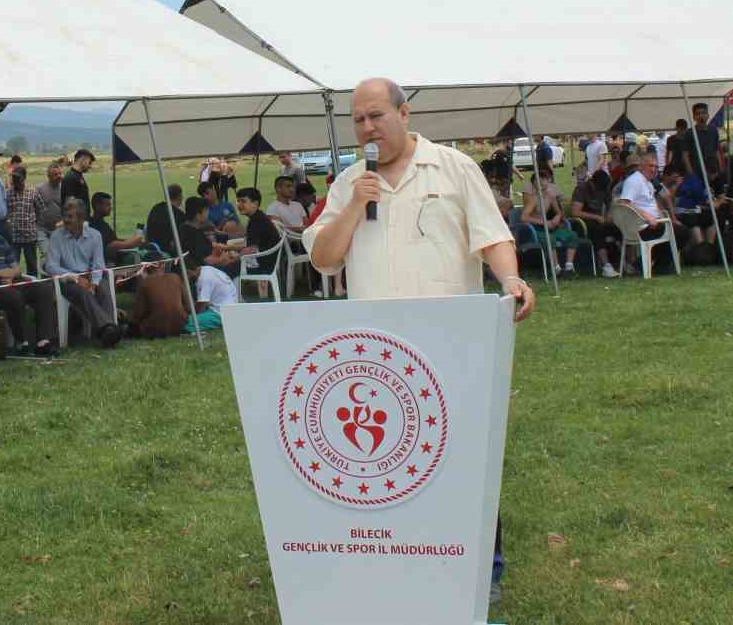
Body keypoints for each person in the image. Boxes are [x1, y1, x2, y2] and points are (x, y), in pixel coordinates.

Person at [303, 77, 532, 607]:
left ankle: (484, 567)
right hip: (376, 356)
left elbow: (492, 235)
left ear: (405, 114)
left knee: (465, 452)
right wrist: (355, 207)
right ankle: (403, 563)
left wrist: (511, 281)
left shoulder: (453, 168)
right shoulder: (347, 183)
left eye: (377, 115)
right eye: (358, 119)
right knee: (390, 462)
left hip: (452, 341)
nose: (367, 127)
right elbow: (324, 258)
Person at [43, 199, 122, 348]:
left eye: (70, 217)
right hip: (67, 280)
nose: (66, 220)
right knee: (81, 292)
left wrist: (94, 283)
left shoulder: (95, 235)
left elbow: (99, 265)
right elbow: (51, 266)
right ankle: (108, 329)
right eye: (65, 216)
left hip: (90, 275)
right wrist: (75, 278)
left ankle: (108, 331)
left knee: (103, 288)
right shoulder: (56, 236)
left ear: (81, 219)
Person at [520, 164, 579, 275]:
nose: (541, 182)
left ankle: (569, 266)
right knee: (550, 239)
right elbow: (524, 217)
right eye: (538, 181)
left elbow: (559, 212)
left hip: (550, 227)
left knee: (572, 236)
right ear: (533, 185)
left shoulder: (550, 196)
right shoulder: (534, 198)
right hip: (536, 229)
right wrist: (545, 223)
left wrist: (556, 219)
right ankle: (556, 268)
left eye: (543, 179)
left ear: (548, 181)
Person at [569, 168, 620, 278]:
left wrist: (609, 216)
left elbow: (610, 205)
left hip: (599, 221)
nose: (599, 191)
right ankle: (606, 266)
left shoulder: (604, 188)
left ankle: (626, 263)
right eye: (598, 188)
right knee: (597, 231)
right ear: (592, 182)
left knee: (620, 229)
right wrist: (596, 217)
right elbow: (575, 212)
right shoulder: (581, 189)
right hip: (582, 223)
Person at [238, 186, 284, 297]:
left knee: (227, 267)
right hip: (269, 259)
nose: (239, 205)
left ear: (255, 203)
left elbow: (251, 249)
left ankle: (235, 301)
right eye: (238, 201)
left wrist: (234, 256)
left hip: (263, 264)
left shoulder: (256, 221)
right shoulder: (259, 217)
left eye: (243, 201)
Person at [126, 262, 190, 339]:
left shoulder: (144, 282)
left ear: (145, 267)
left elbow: (138, 314)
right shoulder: (176, 277)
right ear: (163, 265)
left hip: (154, 329)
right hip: (180, 326)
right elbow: (189, 307)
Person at [88, 192, 144, 265]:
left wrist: (129, 240)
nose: (110, 207)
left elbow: (113, 240)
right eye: (107, 205)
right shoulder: (95, 225)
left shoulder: (103, 224)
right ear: (97, 206)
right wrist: (130, 243)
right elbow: (111, 246)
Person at [7, 166, 41, 275]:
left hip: (30, 236)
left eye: (18, 178)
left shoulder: (33, 192)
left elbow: (40, 209)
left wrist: (34, 224)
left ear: (24, 177)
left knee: (32, 265)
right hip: (14, 237)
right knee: (13, 266)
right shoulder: (8, 193)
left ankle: (33, 288)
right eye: (14, 178)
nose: (16, 180)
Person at [144, 184, 183, 257]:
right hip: (167, 252)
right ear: (179, 197)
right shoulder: (179, 215)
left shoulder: (156, 208)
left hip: (151, 247)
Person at [31, 162, 65, 237]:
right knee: (45, 249)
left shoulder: (64, 189)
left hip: (59, 229)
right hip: (42, 229)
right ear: (48, 176)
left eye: (60, 173)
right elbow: (32, 208)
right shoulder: (39, 189)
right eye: (56, 174)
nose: (59, 176)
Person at [61, 149, 95, 214]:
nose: (90, 166)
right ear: (82, 159)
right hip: (76, 222)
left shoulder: (78, 176)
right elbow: (69, 204)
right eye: (89, 162)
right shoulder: (71, 177)